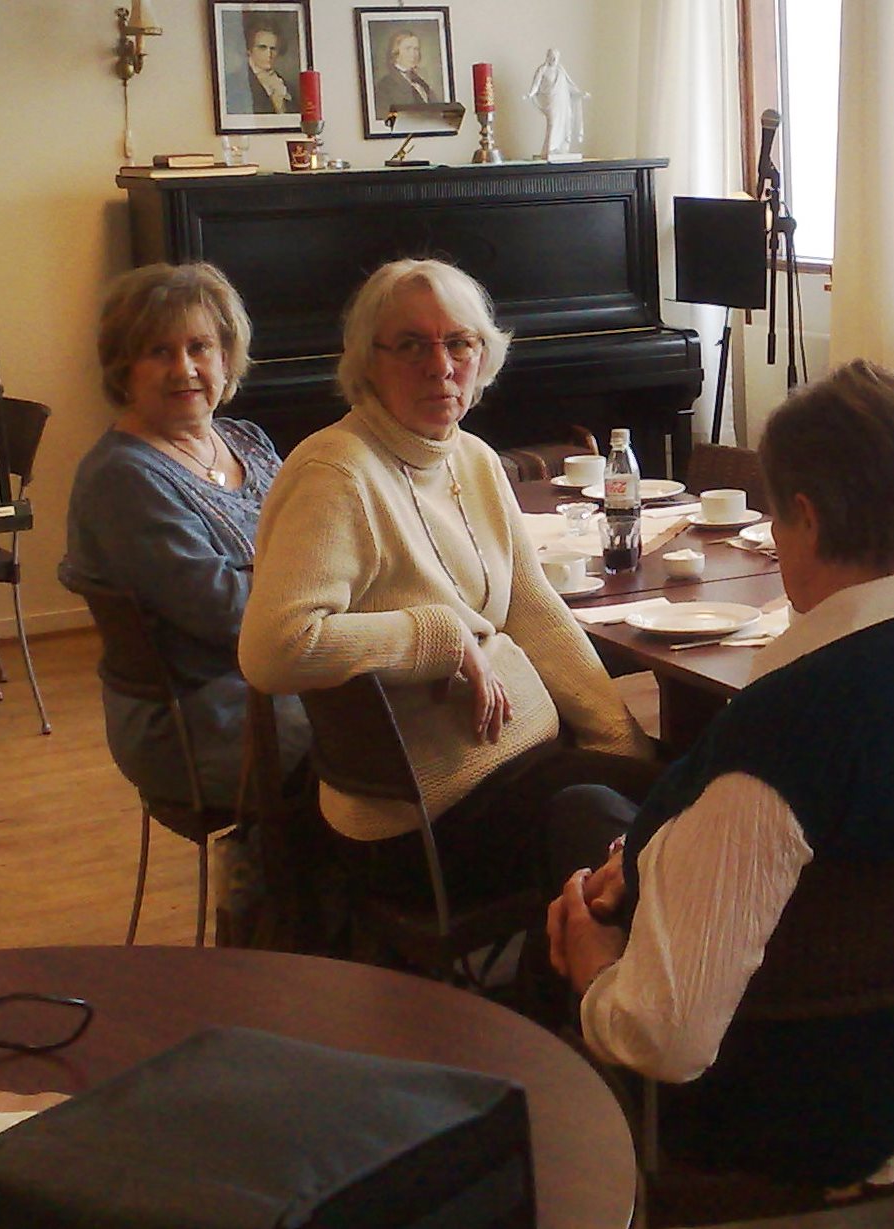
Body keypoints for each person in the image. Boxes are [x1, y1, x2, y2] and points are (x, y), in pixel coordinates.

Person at [547, 360, 894, 1189]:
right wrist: (650, 856)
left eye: (776, 516)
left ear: (805, 516)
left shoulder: (791, 727)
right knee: (592, 811)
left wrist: (596, 968)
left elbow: (668, 1039)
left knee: (564, 861)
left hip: (784, 1110)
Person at [239, 258, 655, 906]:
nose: (440, 365)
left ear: (483, 355)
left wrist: (620, 740)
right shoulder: (336, 474)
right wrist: (439, 634)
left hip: (517, 769)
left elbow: (534, 611)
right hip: (423, 829)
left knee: (679, 791)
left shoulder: (474, 458)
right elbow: (273, 649)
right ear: (368, 361)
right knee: (640, 825)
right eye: (411, 345)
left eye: (459, 342)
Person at [61, 262, 310, 811]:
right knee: (385, 731)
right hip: (203, 718)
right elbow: (229, 613)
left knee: (420, 704)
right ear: (124, 367)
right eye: (159, 352)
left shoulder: (245, 440)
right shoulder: (123, 478)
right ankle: (276, 860)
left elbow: (321, 535)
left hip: (283, 673)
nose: (185, 369)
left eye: (200, 347)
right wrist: (329, 585)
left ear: (226, 358)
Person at [525, 49, 588, 160]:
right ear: (548, 57)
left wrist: (580, 94)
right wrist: (530, 94)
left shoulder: (561, 70)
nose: (554, 59)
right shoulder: (543, 70)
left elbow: (569, 86)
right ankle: (550, 148)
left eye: (556, 57)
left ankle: (561, 148)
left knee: (564, 124)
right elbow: (536, 85)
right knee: (553, 123)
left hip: (563, 102)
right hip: (551, 101)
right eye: (552, 57)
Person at [371, 30, 436, 120]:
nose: (413, 54)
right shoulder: (385, 86)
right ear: (395, 52)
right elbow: (386, 120)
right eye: (408, 49)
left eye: (416, 49)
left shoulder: (421, 83)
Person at [231, 22, 293, 115]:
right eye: (262, 48)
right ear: (249, 49)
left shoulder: (285, 86)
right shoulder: (234, 83)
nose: (269, 54)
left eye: (273, 48)